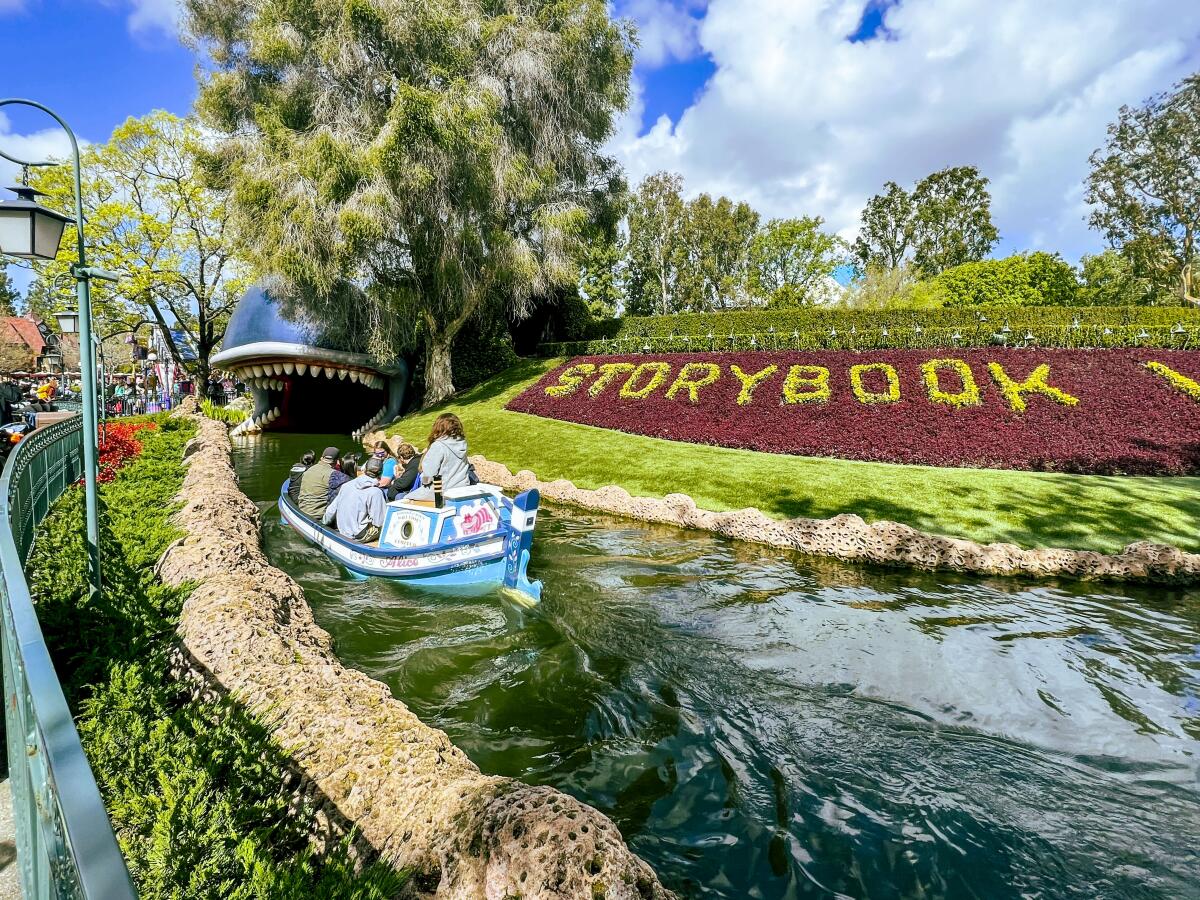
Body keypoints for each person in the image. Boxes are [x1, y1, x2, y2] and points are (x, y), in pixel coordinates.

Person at [323, 456, 387, 542]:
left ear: (364, 469)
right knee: (388, 524)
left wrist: (323, 524)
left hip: (343, 531)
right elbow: (379, 522)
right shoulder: (375, 492)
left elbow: (330, 511)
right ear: (381, 473)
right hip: (358, 536)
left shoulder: (346, 485)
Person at [407, 413, 470, 501]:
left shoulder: (438, 446)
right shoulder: (462, 443)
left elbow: (429, 475)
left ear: (438, 427)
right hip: (462, 489)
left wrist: (424, 481)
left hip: (441, 493)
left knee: (405, 498)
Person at [297, 446, 339, 518]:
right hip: (319, 516)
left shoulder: (308, 470)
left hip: (303, 511)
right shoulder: (334, 475)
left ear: (322, 458)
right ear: (336, 461)